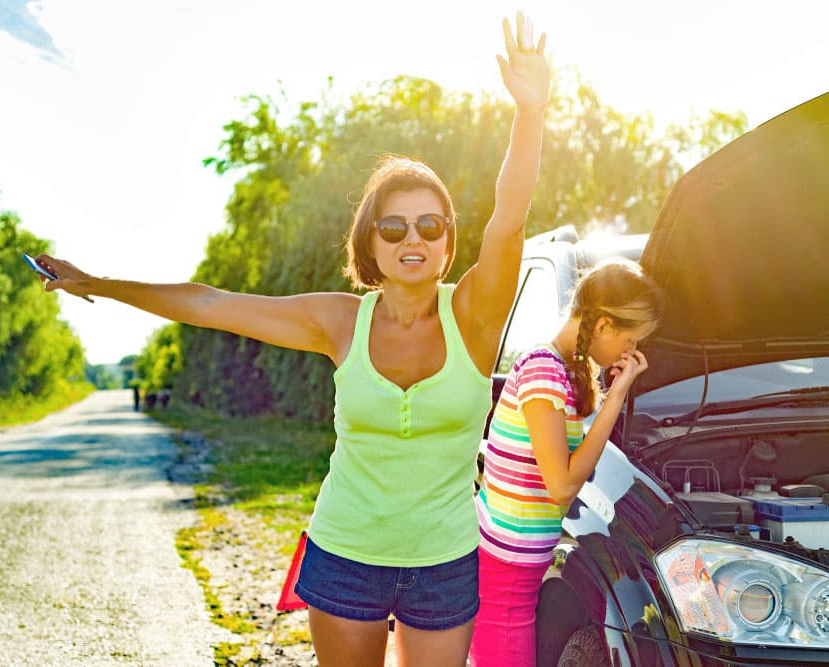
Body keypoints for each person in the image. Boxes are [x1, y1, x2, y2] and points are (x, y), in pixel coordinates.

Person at [35, 12, 550, 667]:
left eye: (429, 223)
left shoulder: (475, 315)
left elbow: (509, 220)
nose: (413, 238)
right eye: (393, 228)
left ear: (449, 238)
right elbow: (210, 303)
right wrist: (99, 283)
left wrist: (530, 112)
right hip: (345, 554)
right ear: (370, 243)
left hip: (443, 561)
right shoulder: (340, 321)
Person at [468, 257, 664, 667]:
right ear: (604, 326)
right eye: (631, 341)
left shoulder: (565, 372)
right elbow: (561, 484)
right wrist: (617, 396)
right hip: (506, 570)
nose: (632, 352)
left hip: (519, 568)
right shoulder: (544, 370)